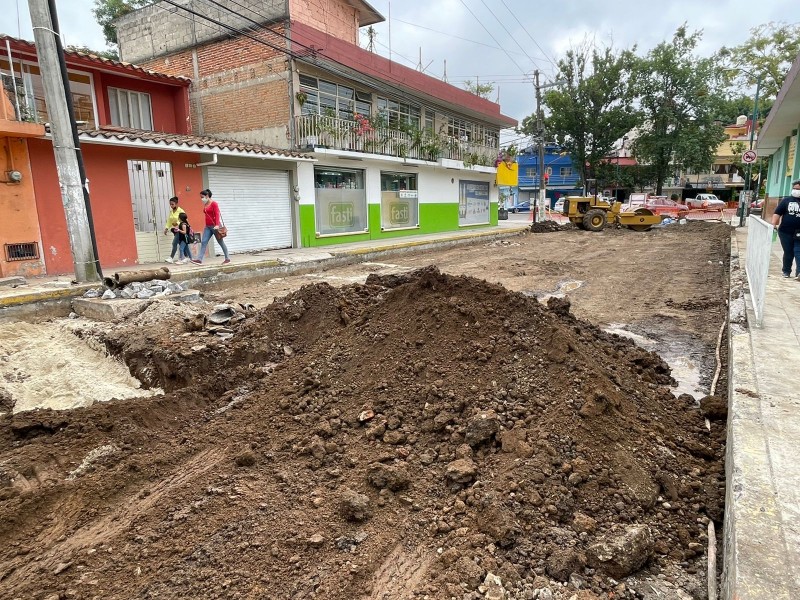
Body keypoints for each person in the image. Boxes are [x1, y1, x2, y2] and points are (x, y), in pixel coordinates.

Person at [192, 189, 230, 265]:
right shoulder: (205, 204)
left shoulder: (214, 204)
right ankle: (199, 260)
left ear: (207, 196)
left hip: (215, 226)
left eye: (202, 197)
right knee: (204, 242)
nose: (201, 199)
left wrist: (216, 225)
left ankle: (227, 258)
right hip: (208, 227)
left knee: (220, 242)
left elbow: (217, 214)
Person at [771, 180, 800, 278]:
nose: (796, 190)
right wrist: (773, 225)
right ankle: (786, 271)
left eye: (798, 189)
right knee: (788, 252)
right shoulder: (786, 201)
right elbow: (777, 213)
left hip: (799, 233)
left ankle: (799, 273)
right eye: (794, 188)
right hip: (785, 232)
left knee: (798, 251)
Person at [162, 196, 186, 263]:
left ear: (176, 204)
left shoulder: (180, 211)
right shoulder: (171, 212)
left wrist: (177, 223)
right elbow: (169, 221)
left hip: (180, 230)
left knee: (174, 243)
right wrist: (166, 228)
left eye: (172, 204)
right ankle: (187, 257)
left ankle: (171, 258)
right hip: (175, 230)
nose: (171, 206)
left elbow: (184, 219)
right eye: (170, 204)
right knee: (182, 243)